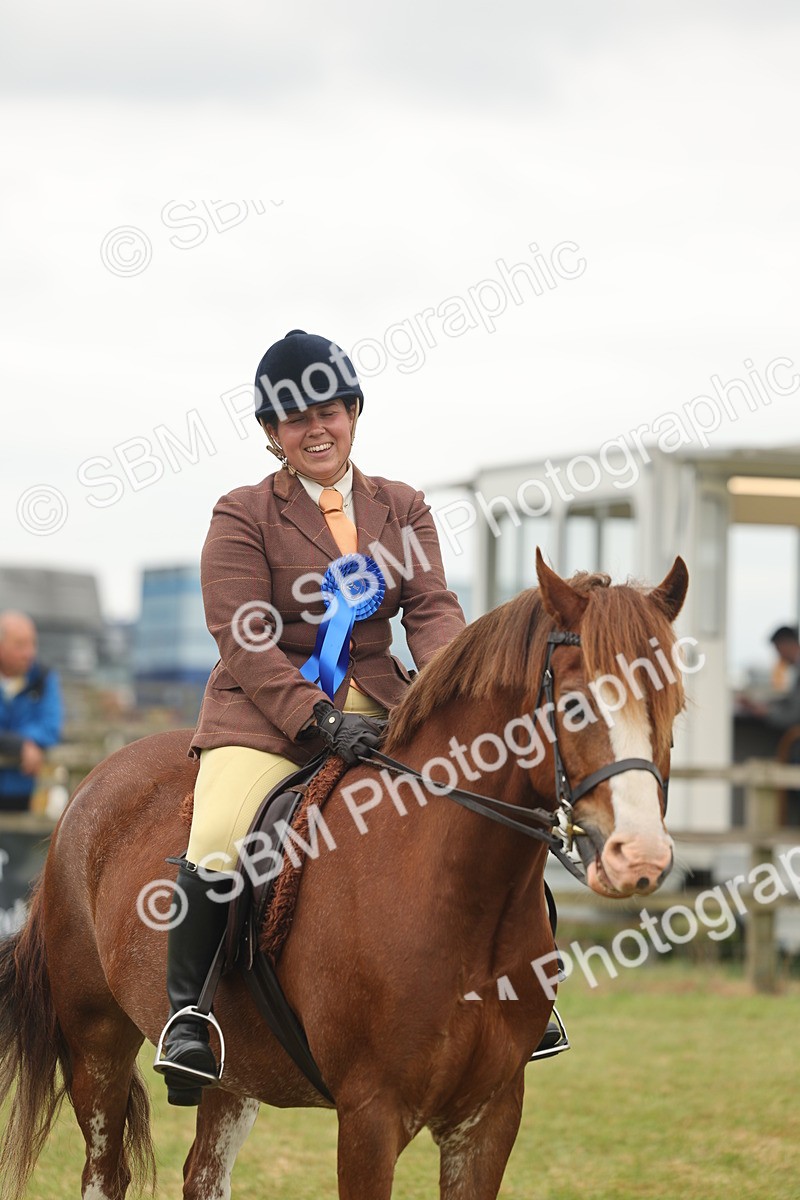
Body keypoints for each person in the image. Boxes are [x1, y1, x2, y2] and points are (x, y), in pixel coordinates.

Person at [154, 329, 565, 1105]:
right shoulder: (242, 513)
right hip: (267, 712)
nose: (316, 428)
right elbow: (241, 634)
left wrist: (457, 690)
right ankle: (190, 1018)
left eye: (330, 411)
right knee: (216, 835)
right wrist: (314, 715)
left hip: (388, 703)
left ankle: (526, 994)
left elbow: (434, 608)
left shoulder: (400, 505)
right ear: (273, 434)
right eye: (295, 417)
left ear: (353, 414)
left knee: (504, 805)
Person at [0, 612, 63, 812]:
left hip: (22, 791)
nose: (29, 653)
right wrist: (19, 745)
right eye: (20, 645)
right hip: (22, 780)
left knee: (20, 841)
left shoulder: (43, 678)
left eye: (32, 644)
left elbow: (51, 727)